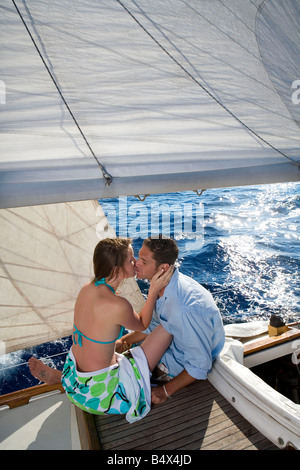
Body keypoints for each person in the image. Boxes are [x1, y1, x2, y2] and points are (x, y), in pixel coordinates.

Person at [29, 237, 173, 423]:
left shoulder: (87, 288)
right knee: (166, 329)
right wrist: (153, 291)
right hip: (101, 395)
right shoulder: (118, 305)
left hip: (77, 378)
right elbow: (143, 324)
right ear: (116, 270)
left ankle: (61, 378)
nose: (136, 263)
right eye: (130, 260)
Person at [116, 236, 225, 405]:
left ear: (163, 268)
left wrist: (164, 391)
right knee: (120, 365)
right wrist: (124, 340)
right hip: (168, 343)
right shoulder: (162, 287)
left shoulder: (184, 309)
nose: (136, 263)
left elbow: (200, 364)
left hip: (180, 361)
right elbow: (152, 326)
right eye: (138, 257)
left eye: (143, 261)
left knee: (122, 385)